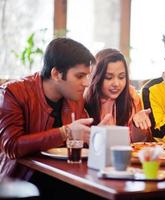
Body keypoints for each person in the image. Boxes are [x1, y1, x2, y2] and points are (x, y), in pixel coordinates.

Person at [0, 38, 95, 181]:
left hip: (66, 175)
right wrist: (64, 132)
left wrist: (100, 134)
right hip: (21, 179)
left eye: (87, 76)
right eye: (79, 76)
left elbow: (82, 145)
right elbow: (12, 146)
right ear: (56, 74)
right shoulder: (13, 92)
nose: (86, 83)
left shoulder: (75, 97)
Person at [84, 48, 151, 142]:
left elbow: (137, 143)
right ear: (96, 78)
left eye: (121, 77)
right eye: (108, 77)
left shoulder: (131, 96)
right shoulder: (83, 99)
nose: (116, 83)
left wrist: (137, 125)